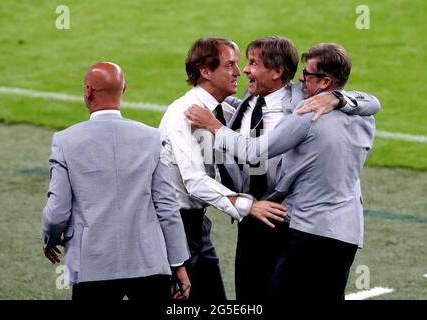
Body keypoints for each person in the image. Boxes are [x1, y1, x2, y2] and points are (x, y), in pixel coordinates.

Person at [195, 36, 380, 301]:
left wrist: (337, 98)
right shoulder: (252, 95)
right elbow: (245, 119)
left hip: (287, 219)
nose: (244, 70)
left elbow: (371, 101)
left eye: (253, 63)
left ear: (277, 71)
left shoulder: (305, 104)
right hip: (251, 213)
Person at [41, 62, 190, 301]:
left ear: (88, 91)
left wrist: (50, 237)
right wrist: (179, 264)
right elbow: (167, 207)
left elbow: (58, 210)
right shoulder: (152, 138)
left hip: (94, 268)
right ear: (124, 89)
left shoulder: (65, 141)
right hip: (149, 265)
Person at [159, 37, 286, 301]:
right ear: (205, 71)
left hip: (196, 226)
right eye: (230, 65)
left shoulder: (223, 112)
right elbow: (194, 181)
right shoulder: (183, 114)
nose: (239, 72)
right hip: (173, 227)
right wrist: (249, 206)